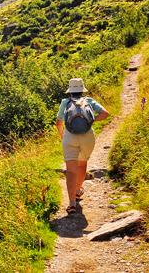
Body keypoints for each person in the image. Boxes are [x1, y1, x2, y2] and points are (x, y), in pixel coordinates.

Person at [56, 78, 110, 214]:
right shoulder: (89, 101)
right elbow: (105, 114)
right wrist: (91, 121)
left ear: (70, 92)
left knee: (70, 170)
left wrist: (63, 135)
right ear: (82, 90)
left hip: (70, 137)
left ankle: (72, 203)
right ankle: (78, 191)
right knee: (82, 164)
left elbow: (59, 122)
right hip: (87, 137)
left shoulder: (65, 102)